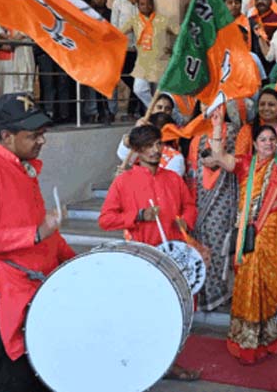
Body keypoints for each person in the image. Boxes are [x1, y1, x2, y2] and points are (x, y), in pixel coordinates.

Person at [0, 93, 73, 392]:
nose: (41, 141)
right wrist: (34, 233)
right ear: (6, 136)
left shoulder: (24, 167)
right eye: (33, 135)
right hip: (6, 293)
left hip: (35, 289)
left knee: (43, 374)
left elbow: (45, 232)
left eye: (42, 133)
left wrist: (74, 261)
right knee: (15, 379)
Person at [97, 123, 200, 379]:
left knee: (172, 313)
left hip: (173, 256)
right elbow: (105, 219)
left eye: (157, 144)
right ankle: (140, 363)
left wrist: (185, 221)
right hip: (141, 257)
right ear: (136, 151)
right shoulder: (124, 181)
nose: (155, 150)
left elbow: (190, 206)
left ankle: (169, 363)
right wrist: (138, 215)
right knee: (142, 313)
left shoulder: (173, 178)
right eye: (147, 146)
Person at [207, 111, 277, 364]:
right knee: (248, 279)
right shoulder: (244, 164)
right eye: (263, 140)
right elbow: (219, 157)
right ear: (255, 143)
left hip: (275, 232)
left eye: (272, 139)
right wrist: (217, 127)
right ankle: (249, 340)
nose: (268, 144)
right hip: (249, 232)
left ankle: (275, 336)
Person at [187, 105, 244, 311]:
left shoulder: (234, 131)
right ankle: (203, 295)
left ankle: (220, 293)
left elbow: (228, 161)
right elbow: (192, 168)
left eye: (214, 103)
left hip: (223, 196)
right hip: (198, 197)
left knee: (219, 241)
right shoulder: (196, 132)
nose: (209, 108)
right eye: (205, 103)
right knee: (201, 243)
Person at [120, 0, 179, 108]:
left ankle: (175, 116)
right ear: (138, 6)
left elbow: (180, 33)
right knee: (139, 89)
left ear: (152, 5)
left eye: (148, 4)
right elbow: (119, 33)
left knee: (165, 93)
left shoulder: (162, 20)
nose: (146, 7)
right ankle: (154, 109)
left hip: (161, 61)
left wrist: (175, 49)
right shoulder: (134, 21)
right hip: (143, 63)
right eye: (142, 4)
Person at [111, 0, 146, 117]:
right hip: (123, 48)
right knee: (128, 77)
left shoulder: (144, 3)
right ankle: (141, 103)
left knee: (139, 79)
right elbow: (114, 25)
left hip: (141, 49)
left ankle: (133, 110)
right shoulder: (118, 3)